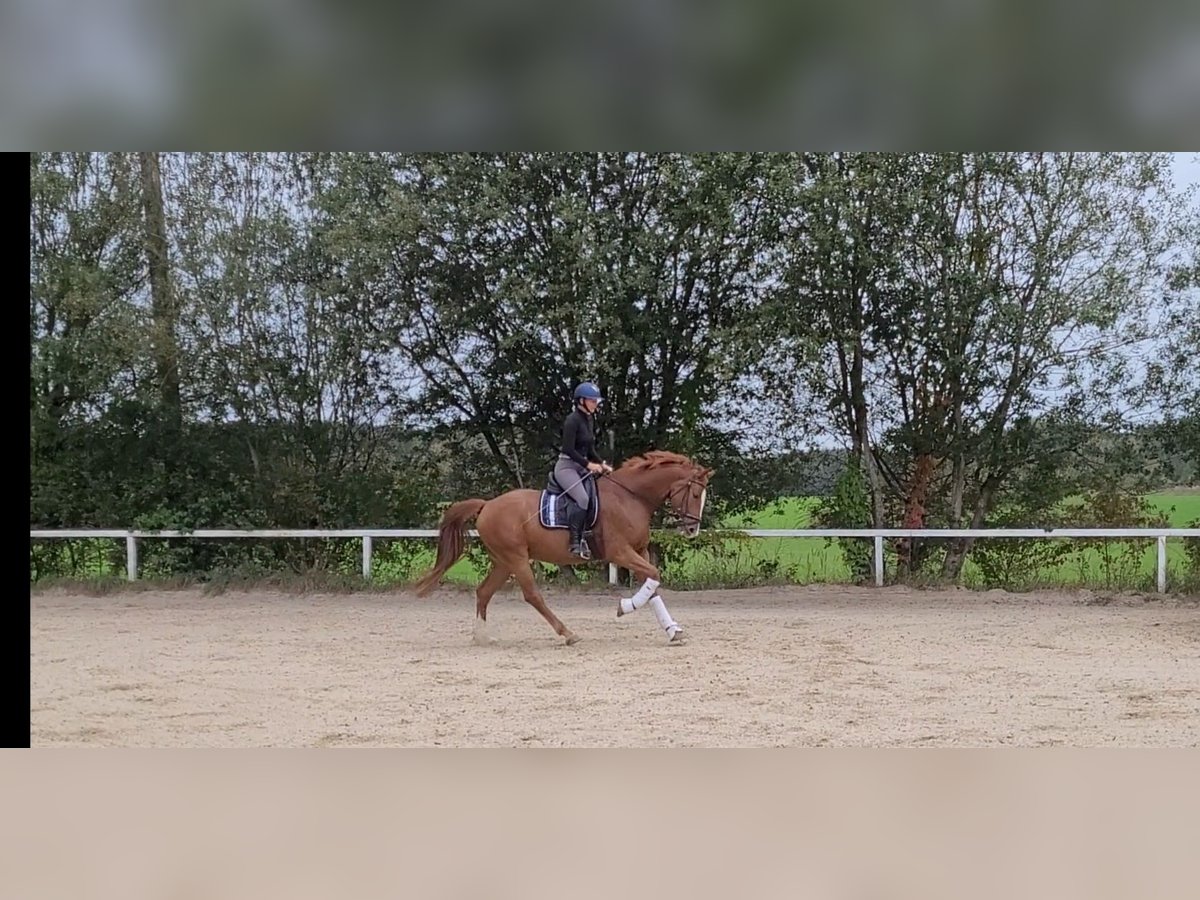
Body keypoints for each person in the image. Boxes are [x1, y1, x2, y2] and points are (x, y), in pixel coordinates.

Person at [555, 382, 612, 558]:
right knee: (582, 498)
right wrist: (589, 465)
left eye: (596, 401)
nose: (596, 404)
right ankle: (575, 542)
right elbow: (568, 449)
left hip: (581, 466)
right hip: (567, 467)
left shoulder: (589, 419)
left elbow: (589, 447)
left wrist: (600, 463)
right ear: (581, 401)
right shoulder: (572, 420)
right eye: (592, 401)